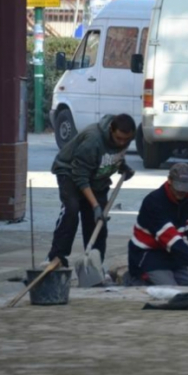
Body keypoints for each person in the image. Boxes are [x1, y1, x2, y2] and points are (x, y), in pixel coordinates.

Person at [47, 113, 135, 267]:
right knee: (72, 210)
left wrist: (122, 166)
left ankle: (95, 264)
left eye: (125, 140)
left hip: (97, 179)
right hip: (70, 173)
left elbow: (111, 154)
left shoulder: (124, 138)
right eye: (118, 139)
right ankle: (57, 257)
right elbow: (80, 176)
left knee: (97, 223)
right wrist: (95, 206)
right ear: (110, 130)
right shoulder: (92, 140)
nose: (122, 143)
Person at [127, 163, 188, 286]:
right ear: (169, 181)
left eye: (185, 189)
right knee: (171, 290)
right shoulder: (153, 202)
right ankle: (135, 278)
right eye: (178, 188)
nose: (181, 193)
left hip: (173, 255)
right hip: (148, 254)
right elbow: (171, 239)